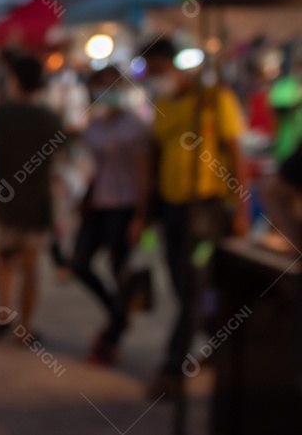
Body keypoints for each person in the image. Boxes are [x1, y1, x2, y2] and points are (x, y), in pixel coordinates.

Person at [143, 38, 250, 399]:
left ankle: (173, 371)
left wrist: (242, 208)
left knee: (192, 290)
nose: (157, 78)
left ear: (173, 65)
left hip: (206, 210)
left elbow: (236, 152)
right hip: (171, 210)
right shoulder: (162, 104)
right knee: (183, 289)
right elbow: (155, 155)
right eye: (151, 73)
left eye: (159, 70)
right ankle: (225, 347)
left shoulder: (213, 99)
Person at [71, 65, 152, 364]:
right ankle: (116, 317)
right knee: (79, 263)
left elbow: (143, 174)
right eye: (101, 85)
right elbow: (93, 165)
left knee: (121, 270)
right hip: (99, 204)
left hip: (125, 204)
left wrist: (141, 217)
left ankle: (113, 335)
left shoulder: (135, 127)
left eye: (111, 85)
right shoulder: (95, 125)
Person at [0, 56, 64, 342]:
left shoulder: (2, 115)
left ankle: (4, 313)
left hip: (7, 198)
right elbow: (60, 158)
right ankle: (25, 328)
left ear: (15, 81)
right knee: (30, 268)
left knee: (4, 257)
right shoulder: (50, 118)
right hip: (37, 200)